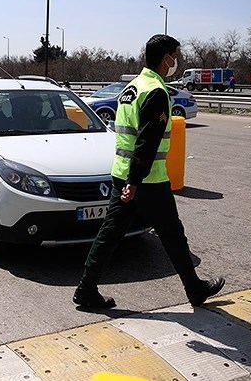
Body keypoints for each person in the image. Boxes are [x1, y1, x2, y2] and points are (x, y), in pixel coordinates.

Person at [73, 34, 225, 309]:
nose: (176, 61)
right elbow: (147, 141)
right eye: (175, 56)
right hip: (147, 179)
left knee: (110, 233)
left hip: (122, 174)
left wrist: (128, 180)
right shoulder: (155, 91)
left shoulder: (131, 88)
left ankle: (86, 288)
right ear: (166, 58)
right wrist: (135, 182)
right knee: (172, 234)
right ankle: (194, 289)